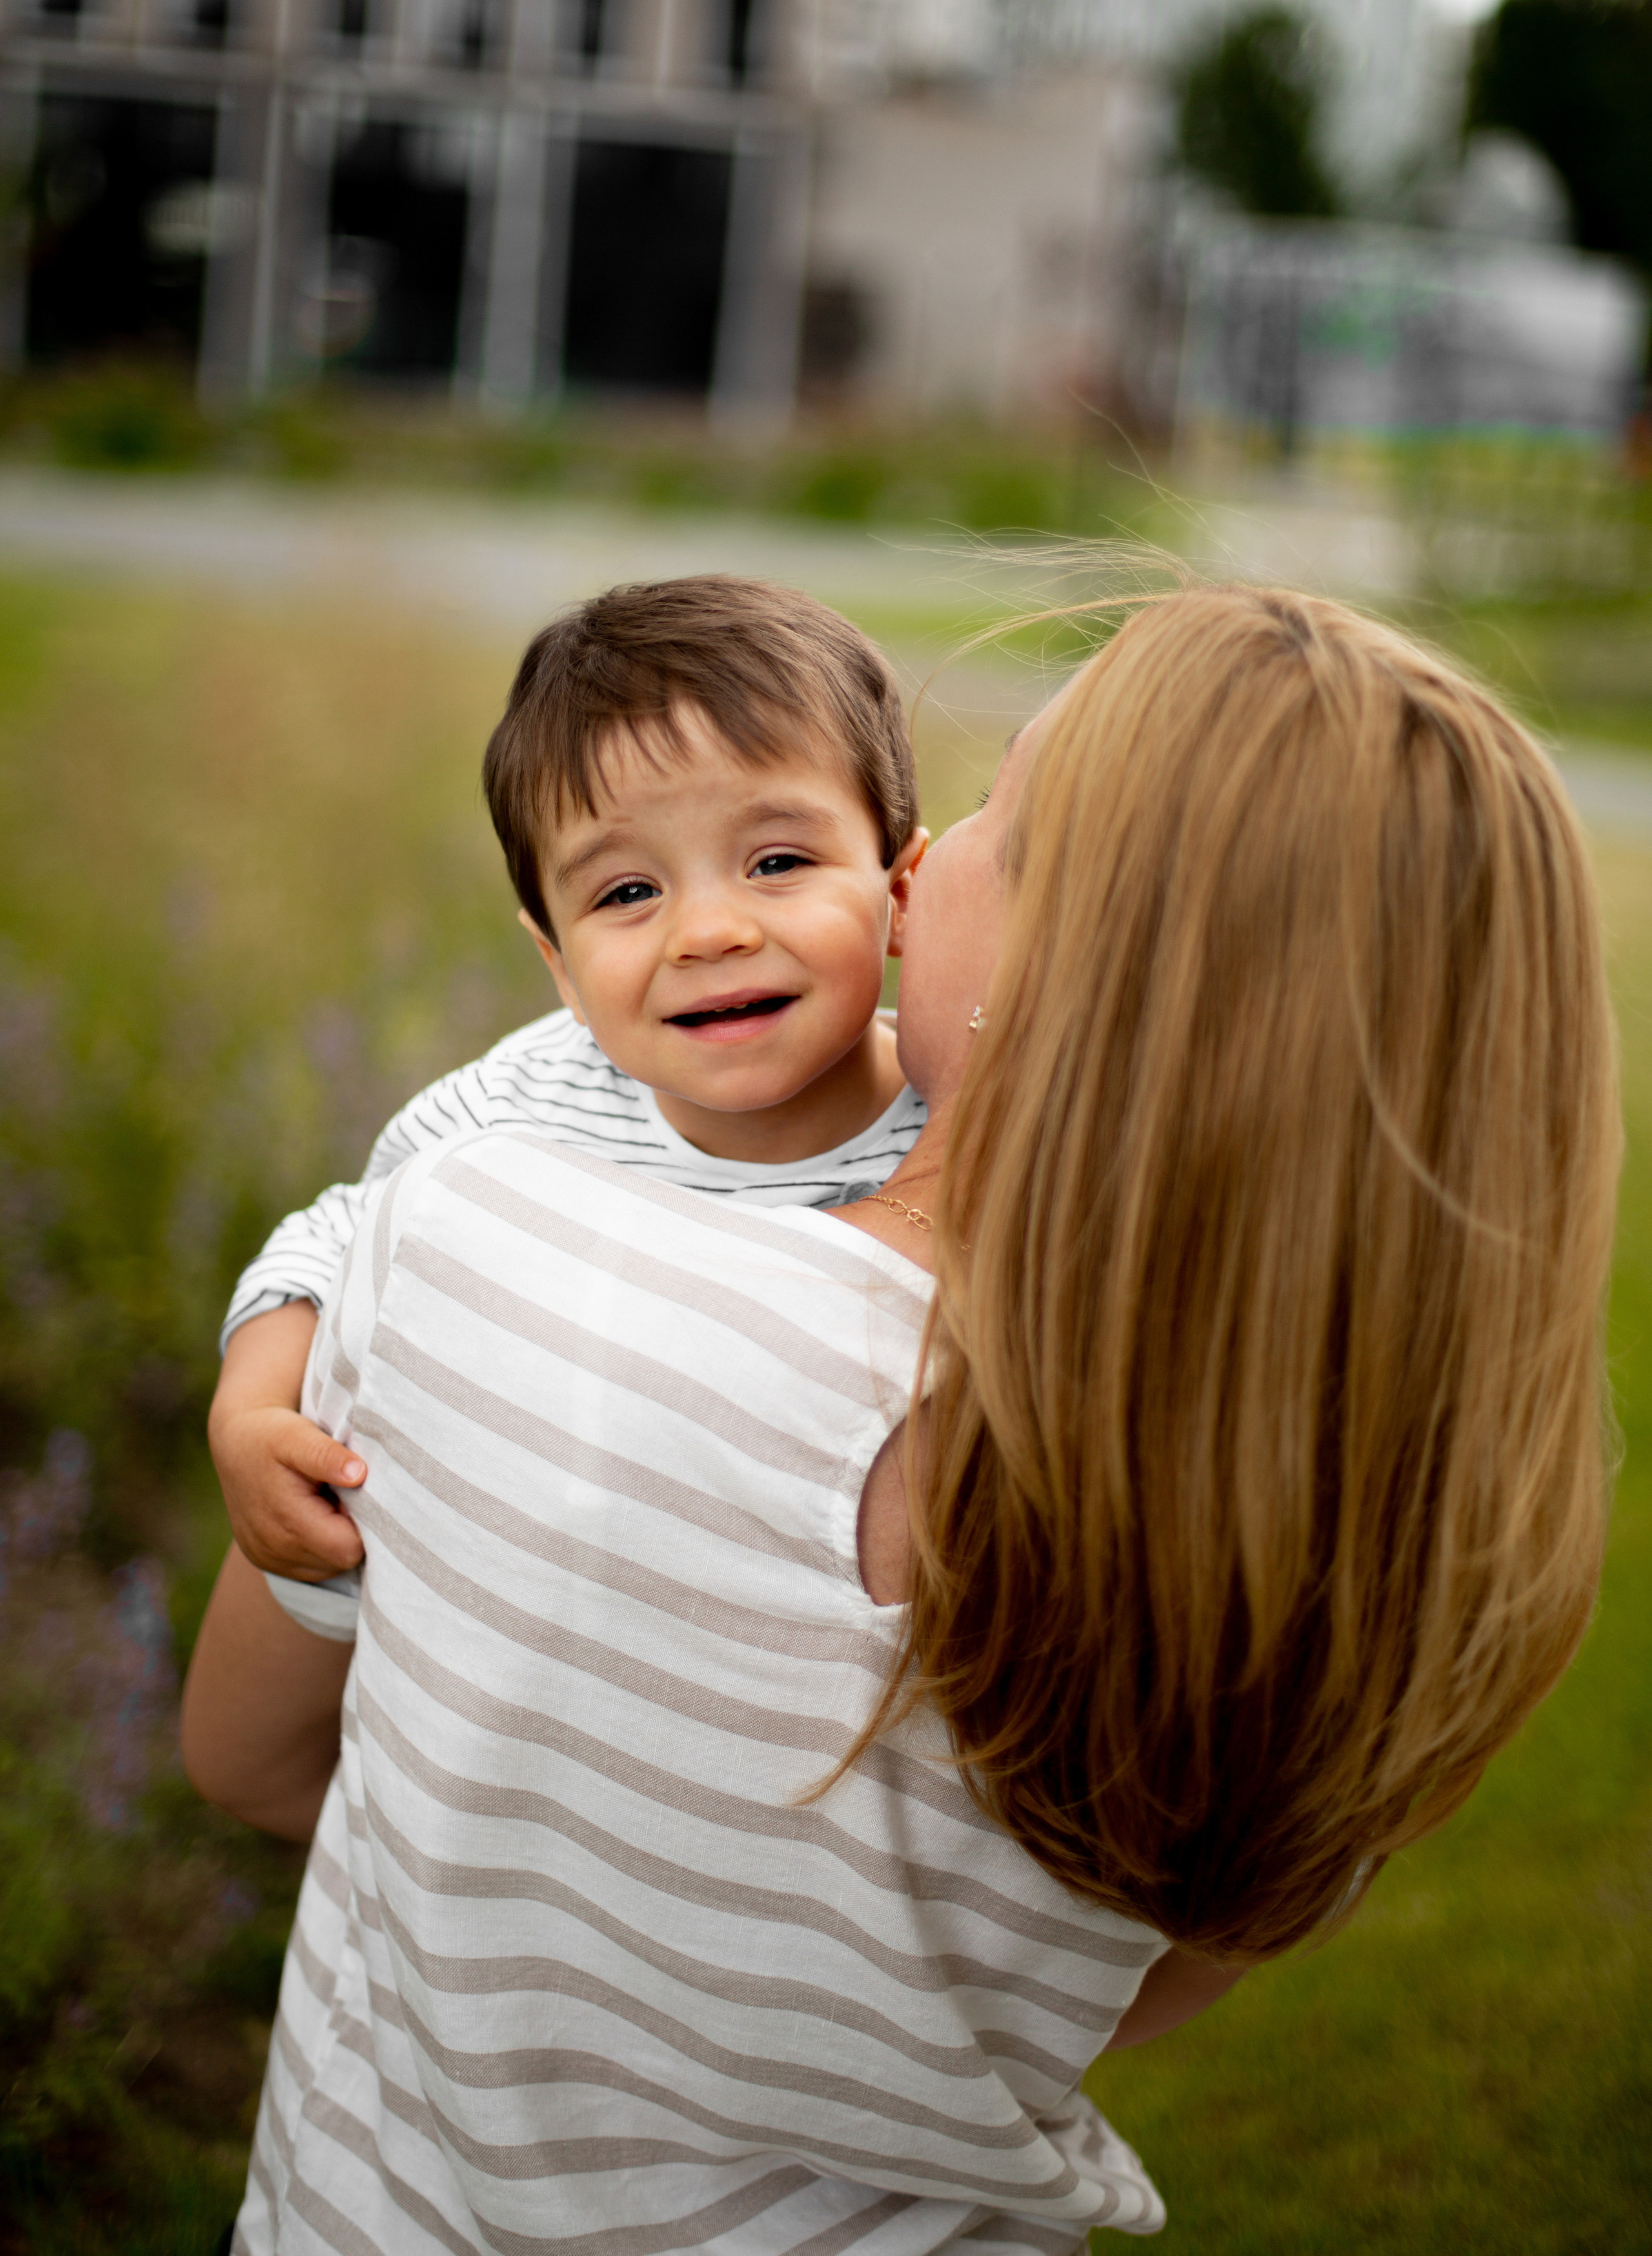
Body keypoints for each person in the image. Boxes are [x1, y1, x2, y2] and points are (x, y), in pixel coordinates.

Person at [183, 585, 1618, 2256]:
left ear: (1086, 969)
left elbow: (254, 1756)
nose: (927, 856)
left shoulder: (491, 1249)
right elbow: (1133, 1979)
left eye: (1000, 814)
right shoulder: (1330, 1555)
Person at [211, 576, 930, 1582]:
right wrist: (250, 1414)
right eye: (629, 891)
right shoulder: (519, 1108)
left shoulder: (952, 1137)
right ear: (558, 965)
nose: (712, 932)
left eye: (776, 862)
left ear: (901, 891)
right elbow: (332, 1241)